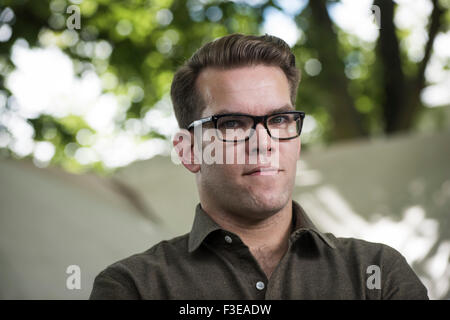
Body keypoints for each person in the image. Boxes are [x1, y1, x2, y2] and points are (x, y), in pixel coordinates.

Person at [90, 34, 428, 299]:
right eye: (234, 123)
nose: (263, 142)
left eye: (279, 119)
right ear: (189, 150)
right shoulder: (133, 287)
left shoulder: (378, 273)